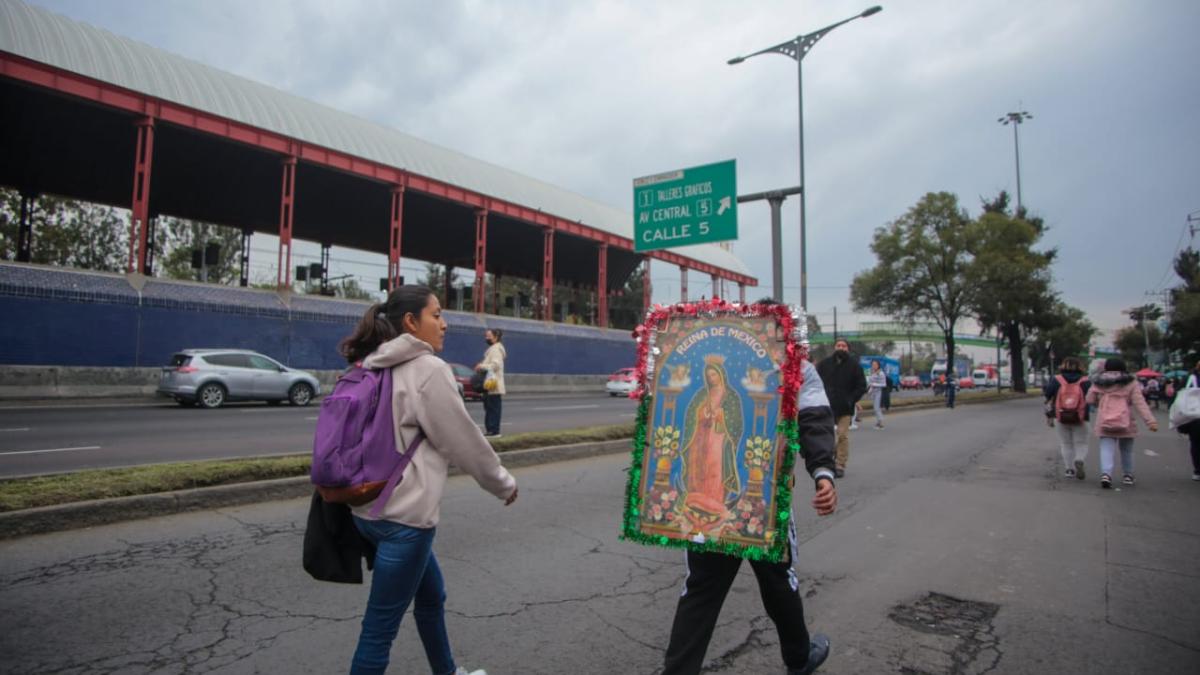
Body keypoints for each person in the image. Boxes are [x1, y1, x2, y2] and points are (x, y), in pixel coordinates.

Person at [338, 286, 518, 675]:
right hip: (404, 521)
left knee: (432, 597)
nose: (445, 322)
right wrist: (503, 483)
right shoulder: (428, 370)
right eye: (436, 314)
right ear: (410, 322)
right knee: (379, 630)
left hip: (366, 510)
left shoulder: (370, 364)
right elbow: (463, 440)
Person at [662, 342, 839, 675]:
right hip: (741, 497)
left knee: (714, 588)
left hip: (757, 496)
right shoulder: (782, 365)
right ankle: (799, 659)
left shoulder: (795, 369)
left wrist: (823, 472)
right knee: (768, 584)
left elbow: (814, 420)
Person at [679, 361, 742, 519]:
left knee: (714, 467)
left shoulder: (730, 395)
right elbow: (692, 412)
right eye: (709, 376)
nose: (712, 378)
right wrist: (702, 412)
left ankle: (714, 501)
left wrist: (722, 415)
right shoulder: (703, 393)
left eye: (714, 374)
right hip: (700, 435)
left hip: (718, 437)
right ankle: (696, 498)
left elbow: (735, 420)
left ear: (721, 375)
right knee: (698, 465)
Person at [1085, 358, 1158, 489]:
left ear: (1106, 368)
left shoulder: (1098, 381)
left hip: (1105, 420)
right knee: (1127, 450)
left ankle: (1106, 474)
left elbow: (1089, 399)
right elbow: (1140, 403)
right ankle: (1128, 475)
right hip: (1126, 421)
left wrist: (1099, 401)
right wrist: (1150, 421)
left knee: (1106, 448)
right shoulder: (1131, 382)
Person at [816, 338, 867, 478]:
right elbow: (815, 383)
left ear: (847, 349)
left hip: (845, 408)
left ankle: (840, 464)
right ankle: (827, 460)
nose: (841, 347)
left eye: (843, 346)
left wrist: (851, 399)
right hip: (827, 406)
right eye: (838, 345)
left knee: (842, 436)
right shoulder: (824, 365)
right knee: (827, 436)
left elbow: (861, 386)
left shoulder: (855, 366)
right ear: (834, 347)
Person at [1043, 357, 1091, 480]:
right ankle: (1079, 459)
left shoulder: (1056, 379)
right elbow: (1091, 398)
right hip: (1081, 417)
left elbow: (1047, 395)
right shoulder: (1085, 380)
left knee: (1066, 443)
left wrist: (1049, 414)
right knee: (1081, 443)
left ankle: (1069, 469)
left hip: (1060, 416)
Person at [475, 328, 507, 437]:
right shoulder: (494, 349)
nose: (486, 338)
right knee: (490, 408)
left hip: (493, 385)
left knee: (493, 409)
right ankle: (491, 431)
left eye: (489, 336)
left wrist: (481, 366)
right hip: (491, 385)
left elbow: (495, 365)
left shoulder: (495, 349)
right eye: (486, 336)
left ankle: (494, 431)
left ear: (496, 337)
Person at [867, 360, 887, 429]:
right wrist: (869, 388)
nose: (874, 366)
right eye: (872, 364)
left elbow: (884, 384)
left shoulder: (881, 373)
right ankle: (878, 422)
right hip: (872, 392)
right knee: (875, 408)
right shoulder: (872, 372)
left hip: (878, 392)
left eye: (875, 364)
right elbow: (870, 382)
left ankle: (881, 423)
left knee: (876, 408)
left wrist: (874, 384)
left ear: (878, 365)